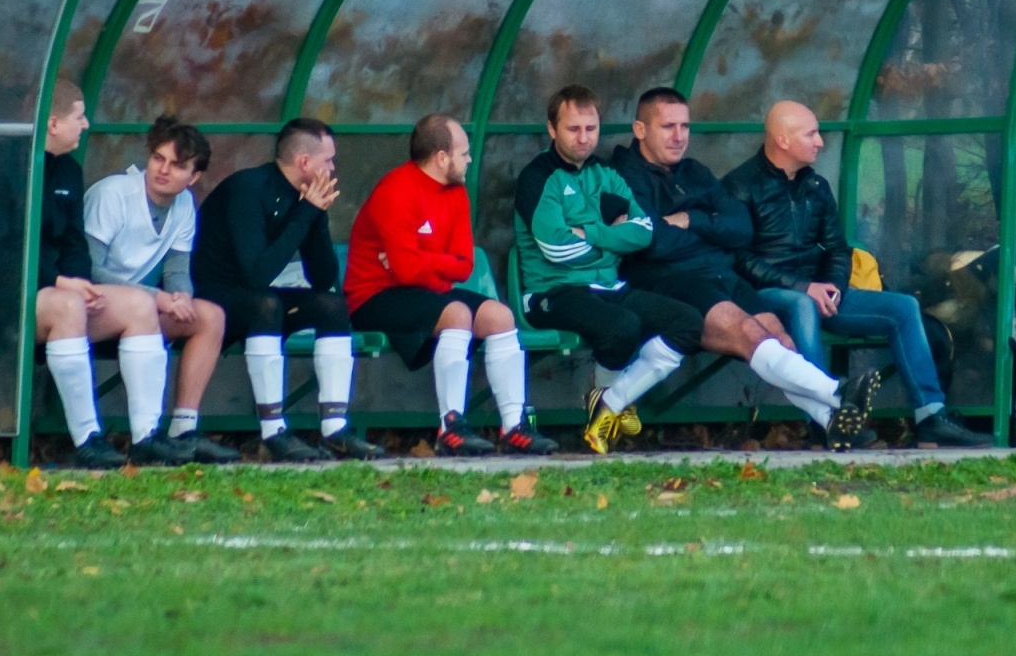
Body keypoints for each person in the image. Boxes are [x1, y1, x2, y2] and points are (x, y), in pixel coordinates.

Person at [610, 88, 878, 448]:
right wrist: (707, 229)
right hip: (668, 281)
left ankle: (830, 420)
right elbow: (652, 241)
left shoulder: (694, 172)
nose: (679, 136)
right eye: (667, 126)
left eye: (685, 126)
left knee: (780, 339)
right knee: (752, 335)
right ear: (640, 130)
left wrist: (690, 220)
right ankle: (839, 392)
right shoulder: (622, 177)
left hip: (720, 274)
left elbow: (740, 229)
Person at [0, 79, 185, 468]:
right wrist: (58, 282)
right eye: (80, 116)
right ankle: (86, 438)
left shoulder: (68, 171)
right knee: (67, 306)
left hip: (55, 295)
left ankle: (147, 436)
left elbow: (74, 243)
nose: (86, 124)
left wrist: (81, 282)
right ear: (53, 123)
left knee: (139, 306)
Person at [722, 100, 988, 448]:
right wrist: (804, 287)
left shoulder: (816, 186)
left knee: (903, 307)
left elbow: (836, 248)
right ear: (782, 141)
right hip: (764, 297)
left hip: (819, 293)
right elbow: (739, 258)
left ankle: (931, 416)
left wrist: (831, 286)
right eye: (811, 134)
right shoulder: (739, 186)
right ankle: (826, 419)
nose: (820, 142)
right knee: (802, 304)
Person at [345, 114, 558, 456]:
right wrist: (426, 265)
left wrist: (422, 259)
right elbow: (405, 273)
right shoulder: (395, 190)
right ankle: (450, 427)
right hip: (374, 297)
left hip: (429, 292)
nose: (469, 160)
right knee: (457, 313)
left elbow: (463, 264)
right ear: (441, 157)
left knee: (500, 317)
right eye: (464, 153)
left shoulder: (456, 192)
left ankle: (515, 425)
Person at [191, 118, 381, 462]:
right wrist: (305, 213)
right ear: (304, 162)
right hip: (216, 299)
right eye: (328, 160)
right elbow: (257, 274)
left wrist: (316, 216)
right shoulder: (248, 190)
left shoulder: (304, 199)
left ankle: (335, 428)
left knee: (332, 305)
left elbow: (323, 277)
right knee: (267, 305)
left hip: (257, 296)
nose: (333, 168)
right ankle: (273, 430)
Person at [83, 116, 238, 463]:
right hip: (89, 308)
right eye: (158, 158)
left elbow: (177, 268)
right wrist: (159, 298)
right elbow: (89, 270)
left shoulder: (184, 205)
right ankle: (144, 436)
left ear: (194, 177)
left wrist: (181, 296)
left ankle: (183, 429)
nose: (163, 170)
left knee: (209, 315)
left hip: (137, 310)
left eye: (177, 165)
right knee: (141, 304)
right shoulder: (113, 194)